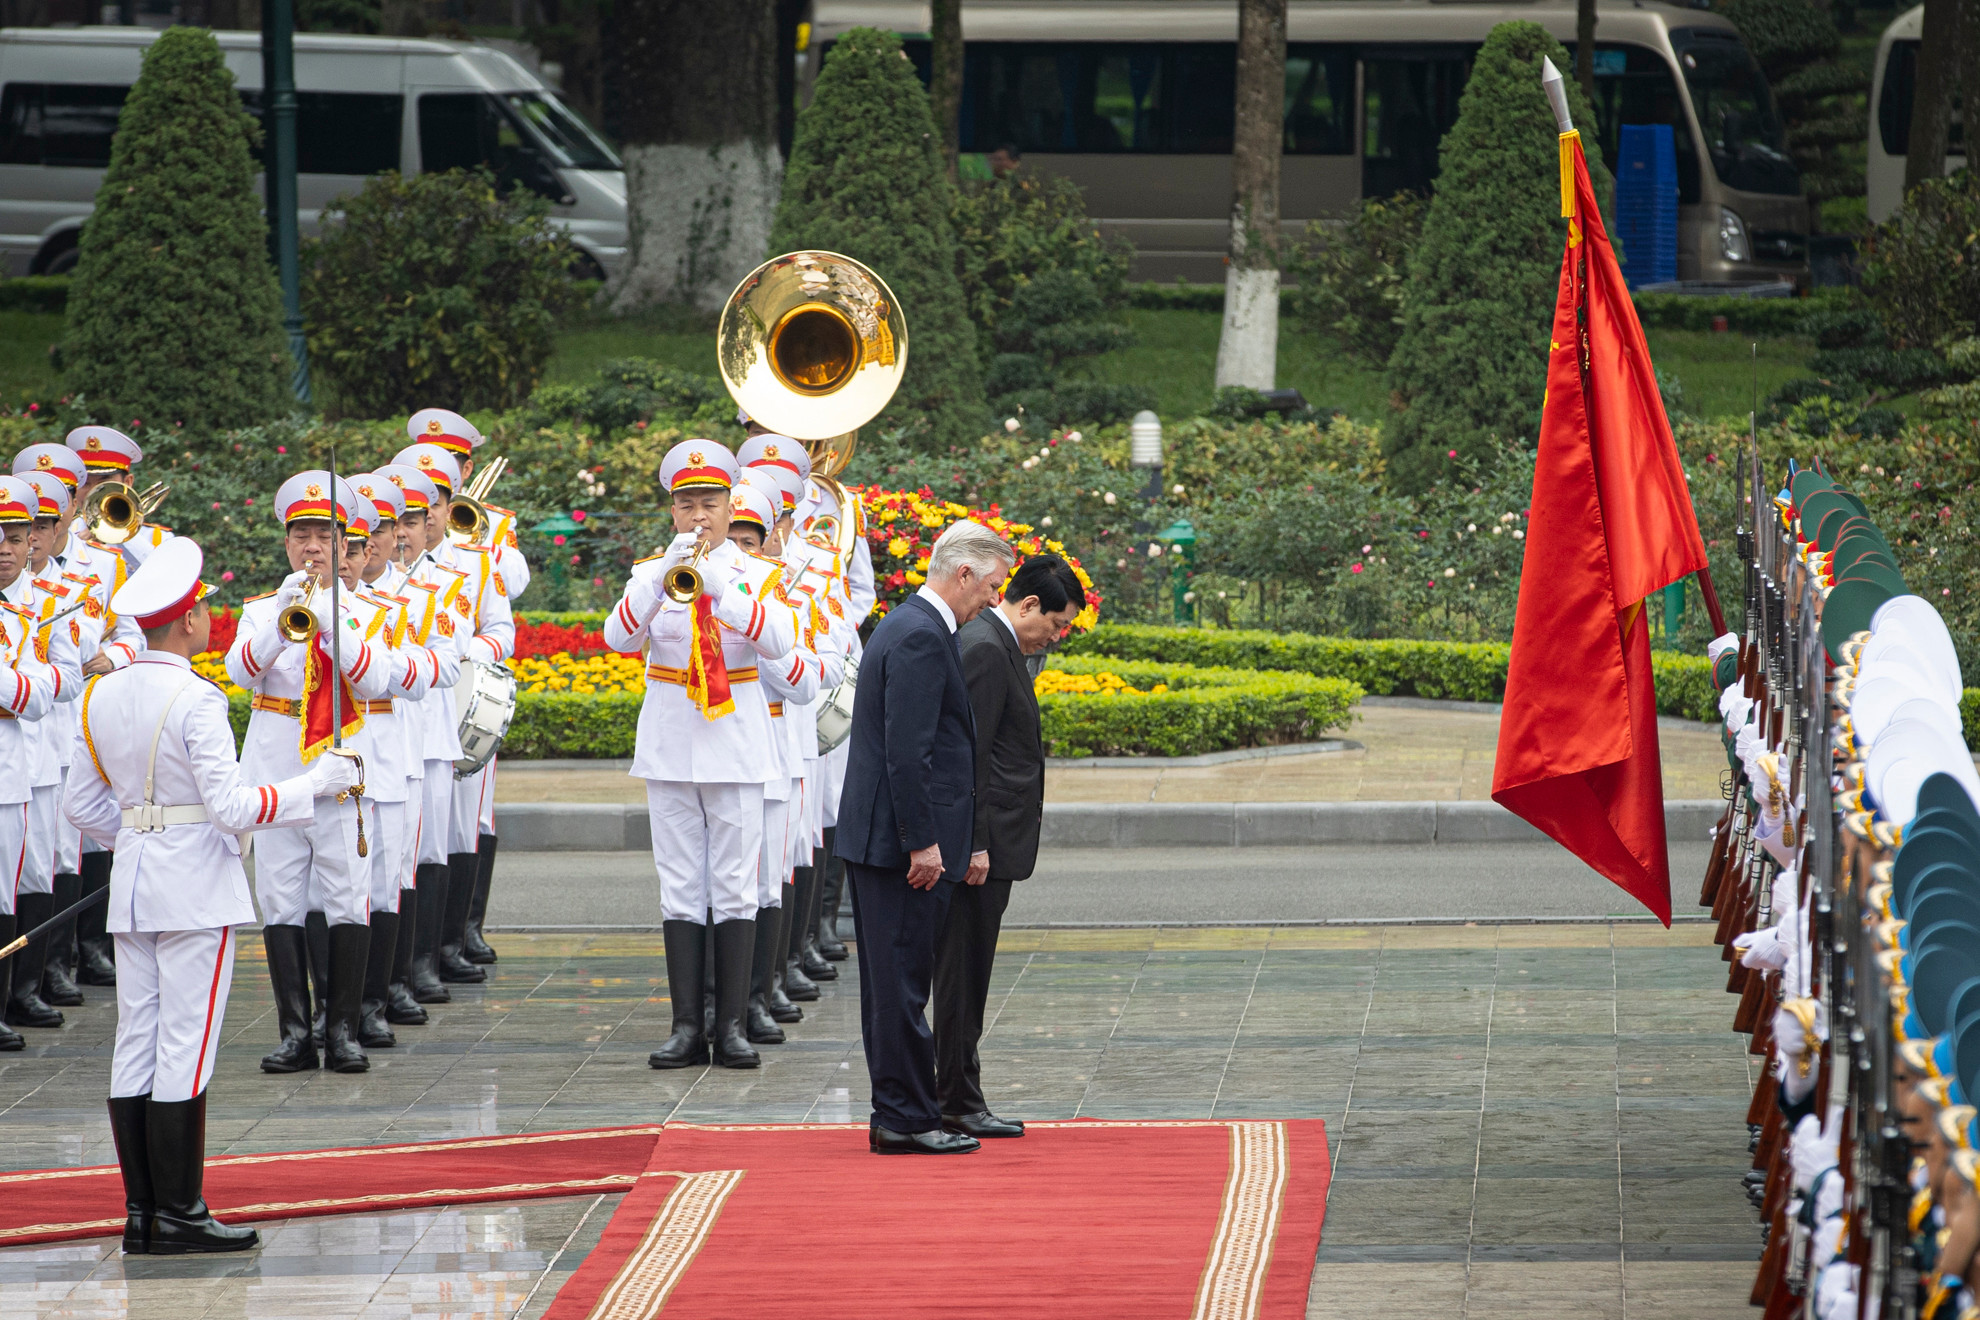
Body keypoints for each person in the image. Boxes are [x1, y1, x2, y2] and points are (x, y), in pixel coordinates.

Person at [63, 536, 361, 1254]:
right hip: (194, 884)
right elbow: (229, 808)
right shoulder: (196, 697)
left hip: (137, 881)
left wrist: (142, 831)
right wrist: (315, 784)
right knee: (185, 1044)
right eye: (202, 611)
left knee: (137, 1039)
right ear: (189, 621)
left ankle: (143, 1213)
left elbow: (81, 806)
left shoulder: (103, 692)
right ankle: (181, 1211)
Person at [602, 439, 795, 1071]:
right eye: (687, 505)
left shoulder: (758, 574)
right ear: (673, 511)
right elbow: (617, 636)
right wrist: (663, 580)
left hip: (735, 744)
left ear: (729, 505)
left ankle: (732, 1024)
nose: (699, 517)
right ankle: (687, 1025)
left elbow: (781, 640)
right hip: (670, 744)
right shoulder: (650, 573)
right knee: (681, 885)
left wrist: (721, 588)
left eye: (710, 504)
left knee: (735, 884)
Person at [835, 519, 1013, 1155]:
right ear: (963, 574)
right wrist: (922, 842)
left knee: (897, 983)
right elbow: (908, 755)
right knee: (901, 986)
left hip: (891, 839)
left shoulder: (915, 625)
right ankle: (905, 1118)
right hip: (899, 847)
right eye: (992, 586)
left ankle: (903, 1112)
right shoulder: (919, 635)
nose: (995, 599)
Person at [226, 473, 390, 1073]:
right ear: (287, 543)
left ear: (346, 544)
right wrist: (283, 619)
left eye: (325, 536)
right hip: (277, 772)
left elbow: (376, 681)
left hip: (340, 772)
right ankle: (295, 1032)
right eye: (302, 536)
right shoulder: (259, 609)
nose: (313, 547)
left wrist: (328, 619)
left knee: (347, 899)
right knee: (281, 902)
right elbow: (241, 672)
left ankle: (341, 1030)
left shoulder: (370, 610)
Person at [935, 553, 1084, 1141]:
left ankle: (961, 1095)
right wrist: (974, 844)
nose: (1057, 635)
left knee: (970, 973)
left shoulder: (1000, 645)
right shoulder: (985, 648)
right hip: (981, 847)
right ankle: (955, 1100)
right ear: (1029, 605)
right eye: (1057, 623)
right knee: (962, 975)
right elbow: (966, 757)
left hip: (992, 842)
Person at [403, 410, 529, 970]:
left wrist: (462, 658)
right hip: (401, 707)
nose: (429, 511)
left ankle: (456, 936)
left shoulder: (479, 550)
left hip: (460, 704)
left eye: (439, 496)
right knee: (413, 832)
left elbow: (504, 620)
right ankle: (418, 954)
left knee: (464, 822)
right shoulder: (378, 551)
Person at [371, 462, 461, 1020]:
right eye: (391, 524)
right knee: (383, 863)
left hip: (426, 733)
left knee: (421, 855)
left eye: (410, 521)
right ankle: (385, 979)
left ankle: (416, 967)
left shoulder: (440, 584)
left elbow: (451, 657)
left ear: (428, 524)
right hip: (380, 738)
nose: (401, 533)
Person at [9, 474, 85, 1020]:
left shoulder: (49, 602)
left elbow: (68, 677)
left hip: (32, 753)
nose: (14, 546)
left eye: (21, 535)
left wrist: (21, 686)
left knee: (34, 871)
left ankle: (24, 989)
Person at [0, 475, 59, 1045]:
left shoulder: (30, 615)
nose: (6, 550)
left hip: (7, 768)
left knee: (3, 890)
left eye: (16, 539)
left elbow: (40, 695)